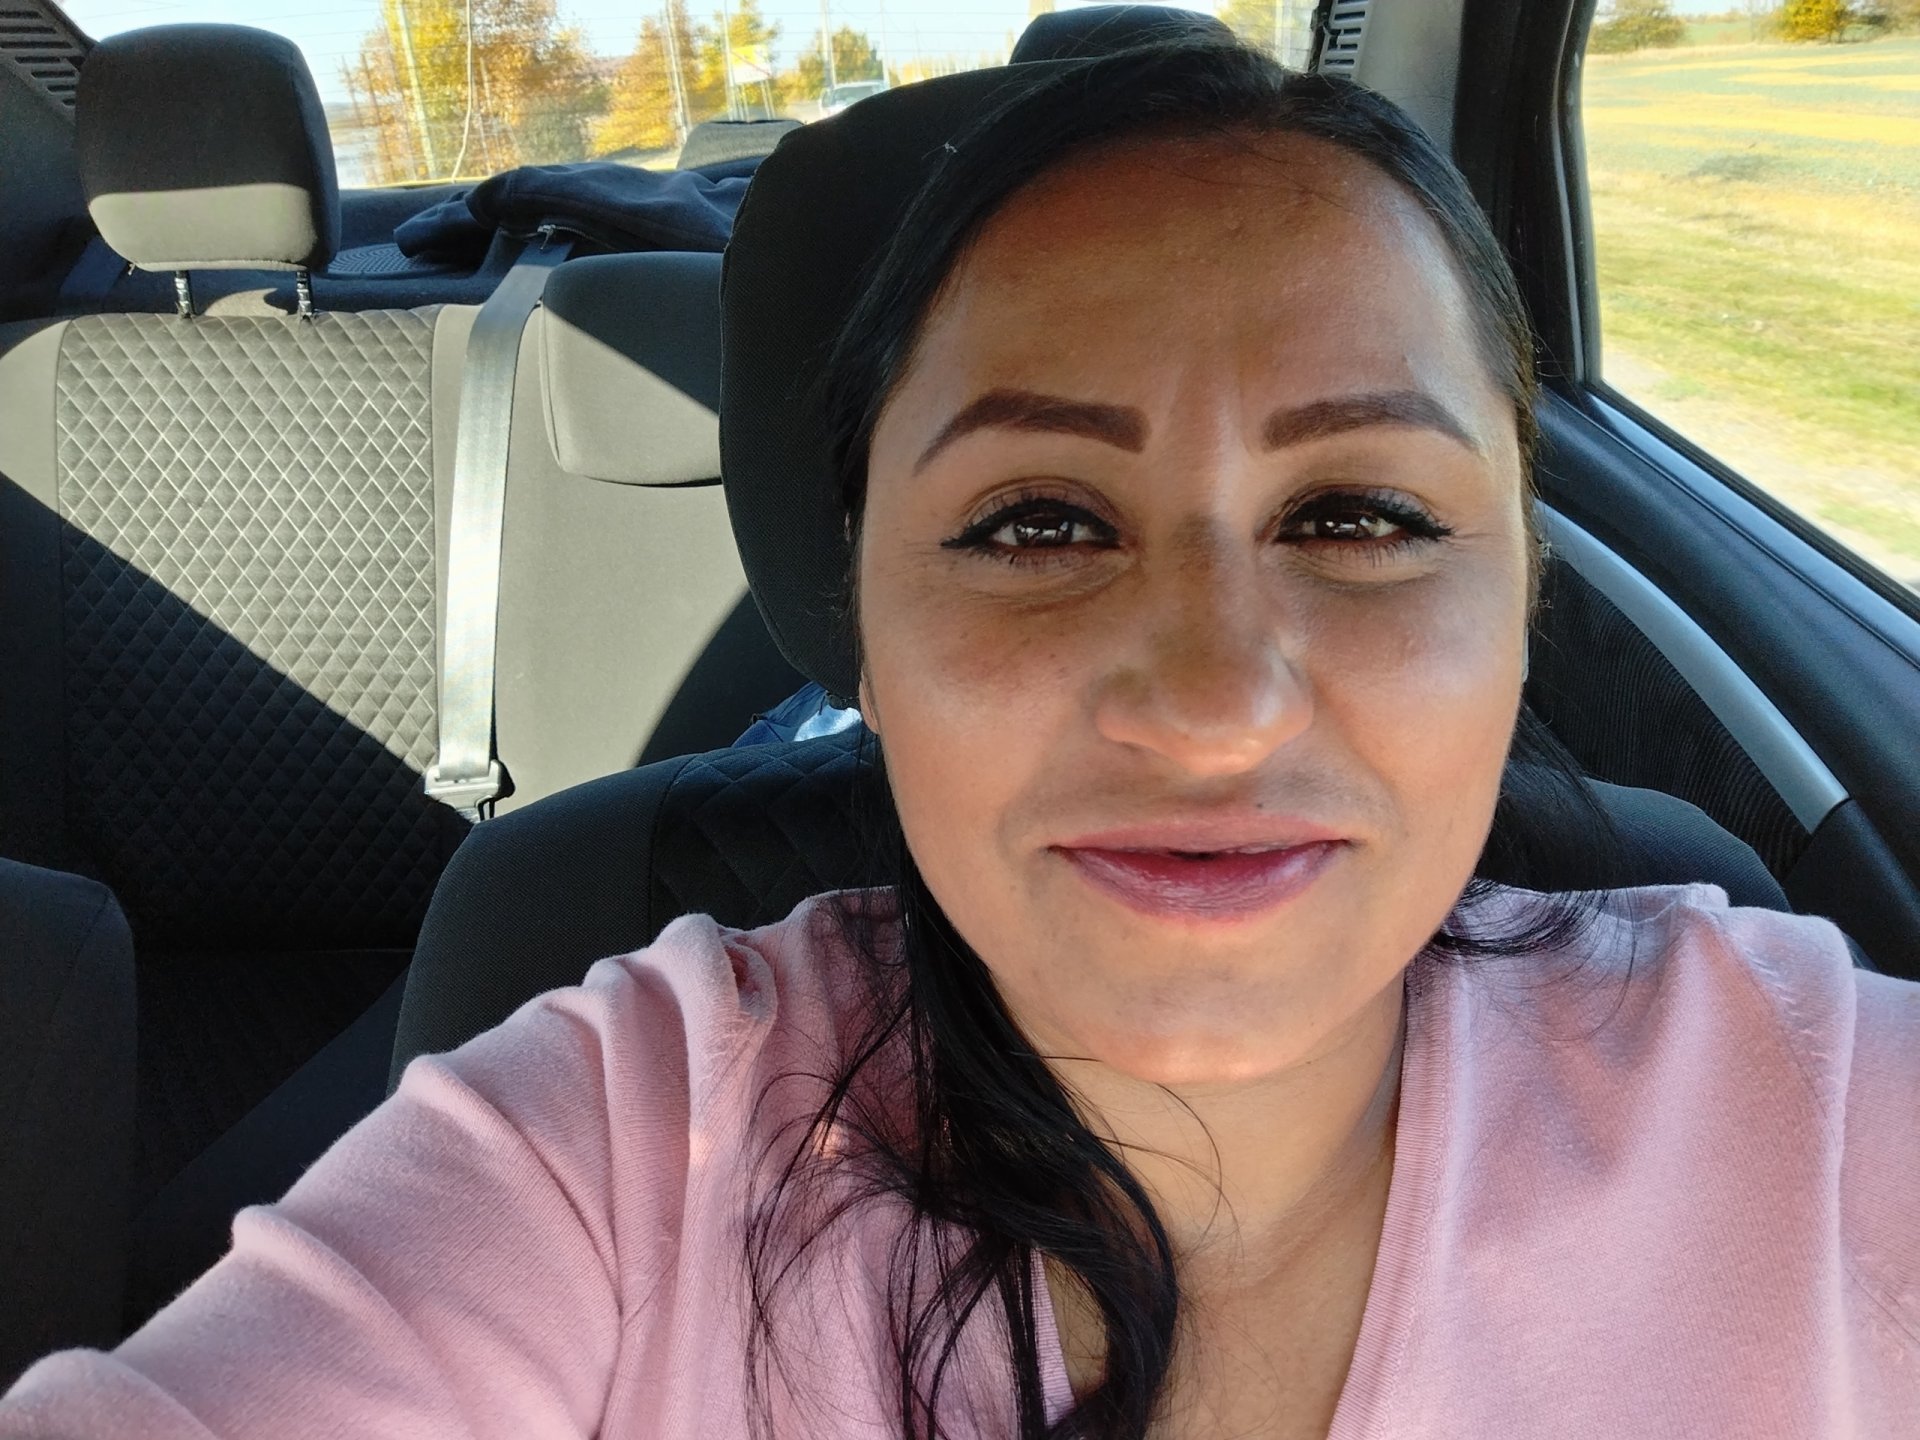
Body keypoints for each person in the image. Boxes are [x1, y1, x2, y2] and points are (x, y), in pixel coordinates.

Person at [4, 37, 1915, 1440]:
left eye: (1358, 515)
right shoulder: (624, 1138)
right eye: (1037, 526)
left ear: (1524, 598)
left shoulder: (1817, 1102)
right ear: (861, 610)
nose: (1214, 701)